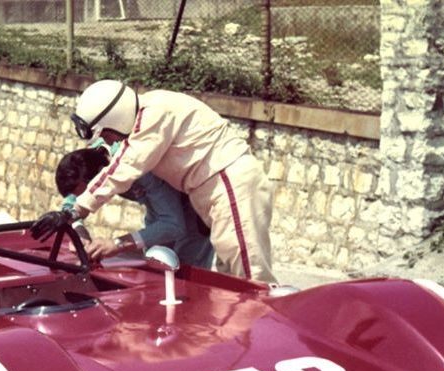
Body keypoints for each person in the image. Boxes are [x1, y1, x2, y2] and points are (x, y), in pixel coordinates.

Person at [34, 79, 276, 284]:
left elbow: (123, 167)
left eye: (106, 133)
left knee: (252, 278)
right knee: (232, 284)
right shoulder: (143, 116)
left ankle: (272, 336)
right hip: (215, 190)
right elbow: (94, 178)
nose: (107, 141)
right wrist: (68, 211)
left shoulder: (153, 116)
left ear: (116, 119)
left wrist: (79, 212)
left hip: (229, 183)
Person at [54, 146, 214, 268]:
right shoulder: (87, 161)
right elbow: (71, 204)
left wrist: (117, 244)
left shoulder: (139, 169)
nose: (88, 199)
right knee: (155, 267)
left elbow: (174, 225)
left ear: (99, 177)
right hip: (160, 209)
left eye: (89, 193)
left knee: (185, 275)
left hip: (195, 209)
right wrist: (80, 232)